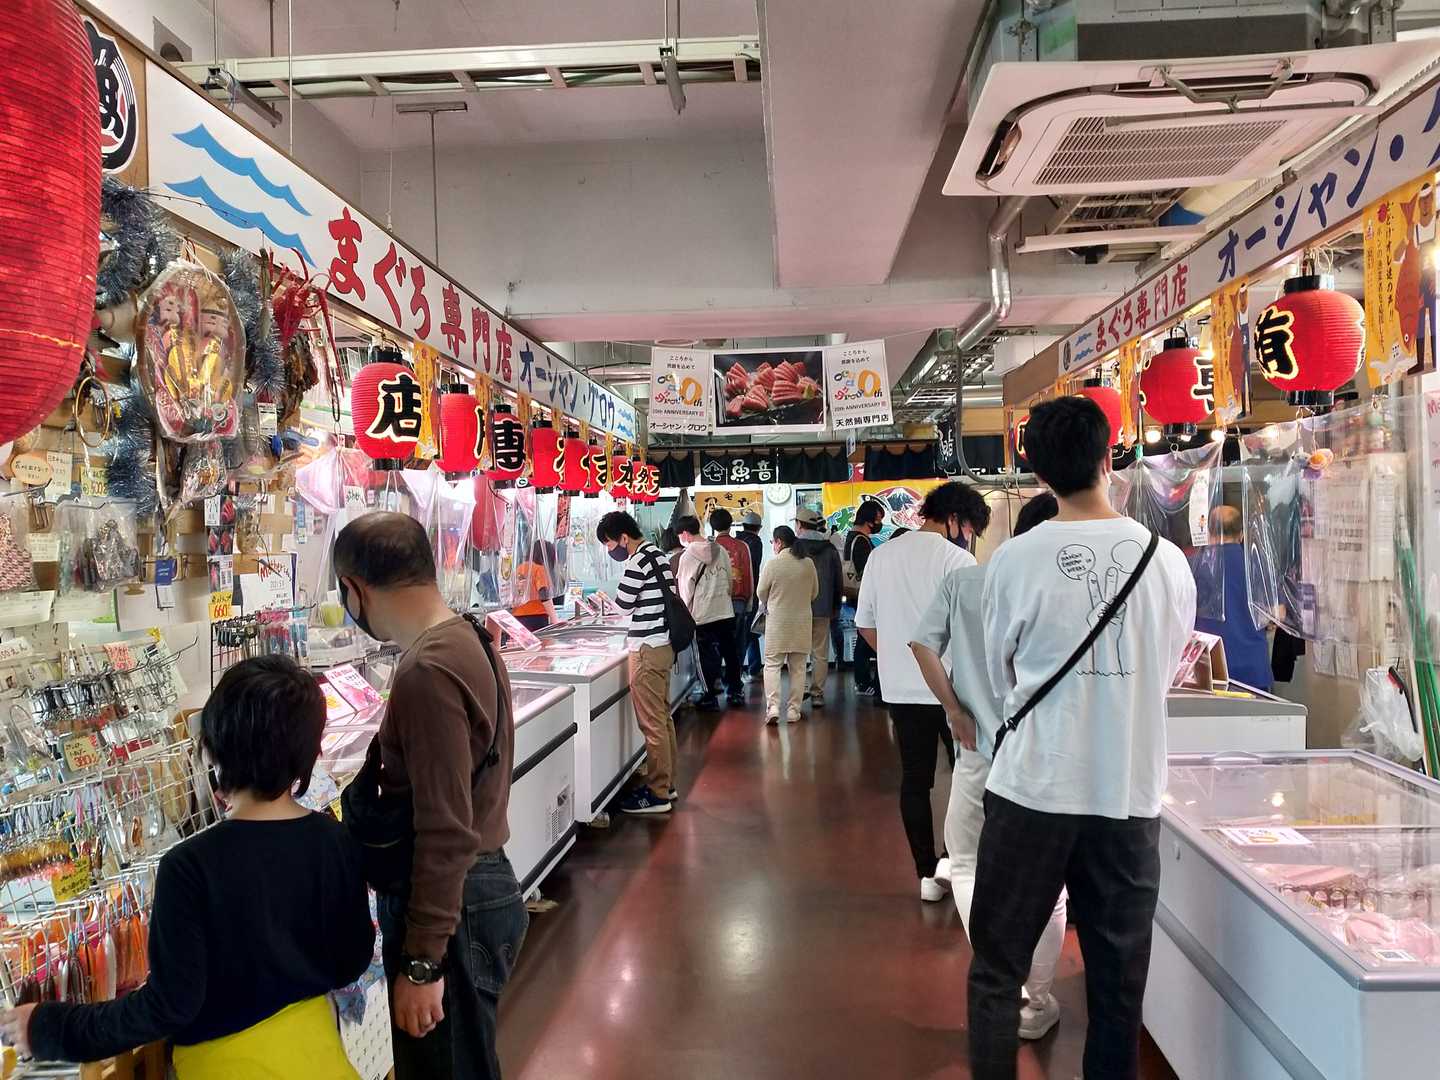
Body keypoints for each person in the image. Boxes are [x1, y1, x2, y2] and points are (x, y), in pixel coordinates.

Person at [0, 656, 374, 1077]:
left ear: (212, 750)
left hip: (227, 1067)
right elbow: (352, 958)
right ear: (309, 751)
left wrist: (47, 1027)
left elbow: (167, 1006)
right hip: (322, 1057)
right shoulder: (333, 840)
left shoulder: (190, 867)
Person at [968, 396, 1196, 1080]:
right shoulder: (1166, 560)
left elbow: (1000, 673)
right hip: (1127, 795)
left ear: (1036, 471)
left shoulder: (1014, 560)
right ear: (1108, 458)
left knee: (997, 971)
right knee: (1118, 987)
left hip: (1031, 790)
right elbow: (1169, 665)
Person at [333, 512, 526, 1079]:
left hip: (452, 905)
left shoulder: (427, 672)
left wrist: (422, 962)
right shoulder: (469, 637)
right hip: (477, 889)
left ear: (353, 588)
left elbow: (445, 828)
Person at [909, 492, 1067, 1043]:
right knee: (1049, 882)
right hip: (1047, 757)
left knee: (968, 862)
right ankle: (1036, 1001)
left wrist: (955, 711)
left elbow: (921, 645)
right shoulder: (1069, 586)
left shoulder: (968, 581)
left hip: (977, 749)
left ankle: (1001, 976)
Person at [855, 481, 991, 902]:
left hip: (900, 688)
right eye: (968, 528)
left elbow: (865, 624)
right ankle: (954, 861)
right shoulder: (957, 560)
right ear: (954, 519)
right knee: (966, 776)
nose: (968, 537)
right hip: (954, 688)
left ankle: (926, 874)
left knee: (915, 779)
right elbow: (973, 628)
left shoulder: (881, 556)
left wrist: (898, 658)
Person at [597, 510, 679, 815]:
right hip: (663, 645)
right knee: (663, 719)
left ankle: (658, 794)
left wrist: (605, 601)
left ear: (623, 538)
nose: (610, 550)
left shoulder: (637, 561)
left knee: (652, 724)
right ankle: (667, 784)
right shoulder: (658, 555)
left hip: (646, 650)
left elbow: (623, 607)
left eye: (609, 543)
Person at [1195, 505, 1274, 692]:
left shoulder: (1195, 564)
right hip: (1252, 669)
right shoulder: (1257, 564)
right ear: (1242, 534)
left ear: (1209, 532)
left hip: (1208, 670)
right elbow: (1276, 613)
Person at [676, 514, 743, 710]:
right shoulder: (720, 549)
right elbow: (730, 578)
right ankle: (735, 692)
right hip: (724, 610)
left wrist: (686, 611)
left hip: (702, 614)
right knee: (730, 652)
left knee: (705, 656)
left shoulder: (687, 556)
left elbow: (685, 589)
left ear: (685, 534)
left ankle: (709, 696)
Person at [755, 526, 819, 724]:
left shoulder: (773, 564)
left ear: (779, 542)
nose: (773, 546)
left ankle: (773, 707)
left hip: (777, 624)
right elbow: (814, 593)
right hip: (801, 623)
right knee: (798, 668)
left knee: (772, 665)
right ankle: (793, 710)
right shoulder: (808, 563)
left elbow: (760, 593)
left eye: (773, 542)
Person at [794, 508, 843, 707]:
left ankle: (800, 690)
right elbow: (838, 580)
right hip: (823, 608)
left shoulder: (794, 548)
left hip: (798, 609)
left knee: (798, 652)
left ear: (799, 524)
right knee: (820, 653)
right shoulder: (830, 549)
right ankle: (817, 694)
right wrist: (836, 606)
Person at [709, 508, 755, 692]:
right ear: (731, 525)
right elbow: (749, 576)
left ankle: (716, 681)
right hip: (738, 602)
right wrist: (749, 603)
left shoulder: (709, 548)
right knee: (737, 645)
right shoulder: (742, 546)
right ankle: (734, 687)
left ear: (713, 526)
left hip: (715, 604)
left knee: (716, 644)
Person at [845, 500, 885, 695]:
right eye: (878, 519)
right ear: (869, 519)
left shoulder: (852, 537)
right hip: (863, 594)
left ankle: (862, 680)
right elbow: (866, 571)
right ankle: (862, 681)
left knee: (863, 634)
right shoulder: (861, 540)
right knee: (864, 636)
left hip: (856, 594)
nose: (879, 523)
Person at [738, 511, 766, 675]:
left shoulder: (736, 541)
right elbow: (753, 567)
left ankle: (752, 667)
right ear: (759, 528)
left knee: (746, 631)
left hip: (734, 593)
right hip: (750, 591)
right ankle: (745, 670)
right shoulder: (755, 542)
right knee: (749, 630)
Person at [512, 539, 559, 632]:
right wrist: (555, 620)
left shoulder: (518, 568)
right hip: (536, 617)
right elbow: (544, 596)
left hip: (517, 617)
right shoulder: (539, 569)